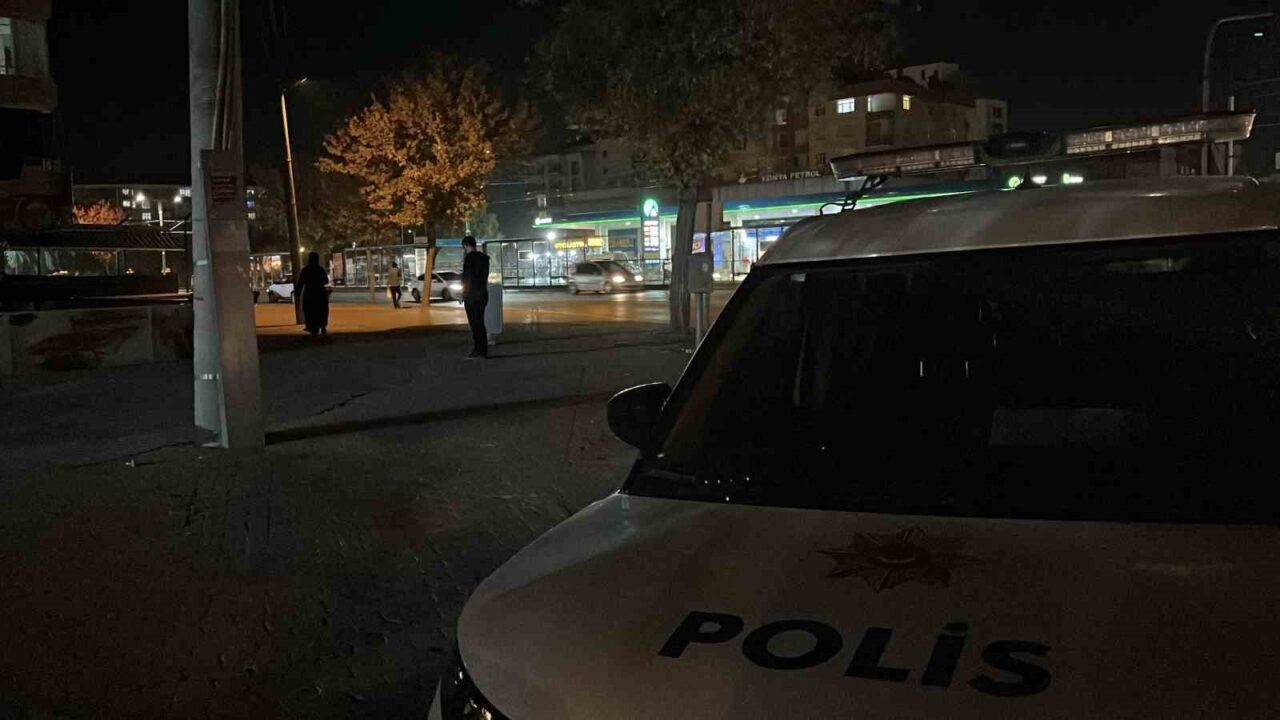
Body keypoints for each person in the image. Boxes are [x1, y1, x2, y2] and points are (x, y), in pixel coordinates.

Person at [460, 236, 490, 358]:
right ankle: (483, 350)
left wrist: (463, 294)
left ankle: (478, 349)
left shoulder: (469, 259)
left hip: (472, 296)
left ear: (466, 246)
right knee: (480, 323)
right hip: (482, 294)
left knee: (474, 324)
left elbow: (468, 279)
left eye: (463, 247)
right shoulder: (484, 258)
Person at [297, 251, 330, 335]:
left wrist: (298, 293)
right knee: (322, 311)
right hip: (320, 293)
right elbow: (326, 281)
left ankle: (312, 328)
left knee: (310, 311)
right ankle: (322, 326)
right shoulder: (320, 269)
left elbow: (301, 283)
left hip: (309, 293)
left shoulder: (305, 270)